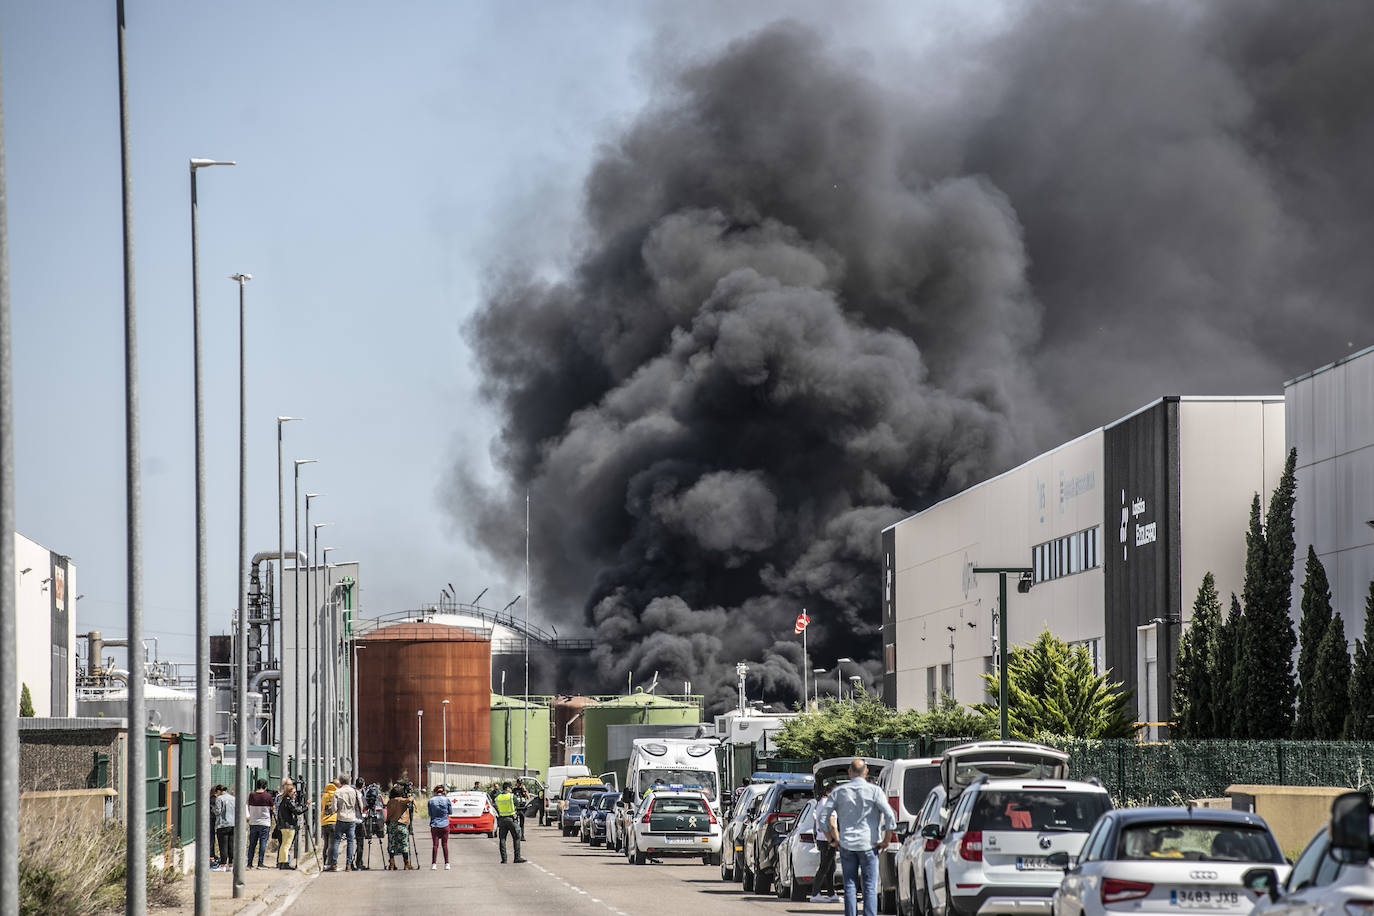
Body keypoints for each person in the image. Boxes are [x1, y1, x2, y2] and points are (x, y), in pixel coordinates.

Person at [820, 759, 896, 916]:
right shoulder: (875, 791)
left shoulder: (839, 792)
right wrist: (886, 840)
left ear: (849, 772)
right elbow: (889, 815)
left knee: (849, 885)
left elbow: (822, 818)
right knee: (869, 886)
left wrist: (832, 840)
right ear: (866, 771)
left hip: (847, 844)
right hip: (869, 844)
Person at [810, 784, 839, 902]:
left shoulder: (821, 802)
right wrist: (835, 840)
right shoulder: (828, 804)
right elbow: (831, 823)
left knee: (831, 867)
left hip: (823, 839)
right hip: (827, 840)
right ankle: (815, 893)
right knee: (824, 867)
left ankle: (831, 893)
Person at [329, 773, 362, 872]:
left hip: (340, 819)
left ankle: (334, 863)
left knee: (337, 841)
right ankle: (348, 864)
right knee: (350, 842)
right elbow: (360, 806)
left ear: (340, 781)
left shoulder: (337, 792)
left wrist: (337, 809)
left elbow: (334, 809)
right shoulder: (355, 792)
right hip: (351, 819)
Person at [493, 781, 527, 864]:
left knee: (502, 839)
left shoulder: (498, 797)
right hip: (511, 819)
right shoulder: (512, 796)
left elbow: (496, 806)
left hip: (502, 820)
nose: (511, 789)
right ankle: (517, 857)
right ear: (508, 788)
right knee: (516, 837)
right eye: (510, 788)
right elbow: (517, 804)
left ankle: (504, 859)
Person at [245, 778, 275, 869]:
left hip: (253, 822)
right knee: (263, 843)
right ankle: (260, 863)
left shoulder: (252, 795)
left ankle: (249, 863)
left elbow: (247, 805)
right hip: (265, 822)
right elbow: (272, 807)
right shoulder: (268, 796)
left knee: (252, 844)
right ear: (265, 786)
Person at [275, 779, 303, 870]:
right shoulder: (288, 801)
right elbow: (297, 811)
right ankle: (284, 862)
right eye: (294, 792)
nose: (295, 794)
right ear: (289, 792)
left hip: (284, 825)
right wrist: (305, 806)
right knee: (286, 845)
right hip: (288, 826)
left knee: (284, 845)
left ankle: (282, 862)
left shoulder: (283, 800)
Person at [385, 783, 415, 870]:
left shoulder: (390, 802)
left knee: (391, 844)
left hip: (392, 824)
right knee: (404, 844)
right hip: (402, 825)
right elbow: (409, 800)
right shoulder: (401, 800)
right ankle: (406, 864)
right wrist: (411, 795)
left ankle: (391, 864)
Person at [428, 784, 453, 870]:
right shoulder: (447, 800)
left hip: (435, 824)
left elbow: (430, 814)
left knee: (435, 845)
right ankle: (447, 863)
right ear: (443, 792)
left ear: (435, 792)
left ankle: (434, 864)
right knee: (445, 844)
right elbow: (450, 812)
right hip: (445, 824)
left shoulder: (431, 801)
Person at [214, 785, 237, 871]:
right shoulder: (233, 798)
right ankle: (231, 864)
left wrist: (213, 809)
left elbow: (218, 811)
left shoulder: (219, 799)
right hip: (232, 824)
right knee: (231, 845)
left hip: (222, 824)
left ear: (219, 791)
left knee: (223, 845)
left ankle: (223, 865)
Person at [320, 778, 338, 870]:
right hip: (333, 821)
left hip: (324, 821)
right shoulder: (336, 795)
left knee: (326, 844)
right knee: (333, 844)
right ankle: (331, 863)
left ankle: (324, 863)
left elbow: (322, 807)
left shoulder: (324, 795)